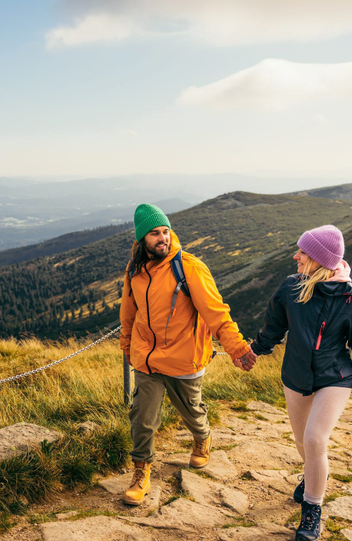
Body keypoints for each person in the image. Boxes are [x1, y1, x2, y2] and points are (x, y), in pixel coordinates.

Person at [242, 225, 352, 541]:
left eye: (302, 252)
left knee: (316, 439)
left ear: (318, 259)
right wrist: (254, 351)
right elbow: (274, 328)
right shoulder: (291, 287)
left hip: (335, 378)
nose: (296, 256)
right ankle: (311, 475)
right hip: (296, 376)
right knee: (304, 444)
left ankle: (312, 511)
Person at [119, 203, 257, 506]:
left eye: (165, 231)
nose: (162, 238)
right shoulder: (135, 270)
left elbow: (216, 312)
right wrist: (128, 346)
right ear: (142, 239)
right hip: (147, 359)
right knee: (142, 416)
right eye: (155, 233)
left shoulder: (189, 267)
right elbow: (128, 313)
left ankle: (202, 437)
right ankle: (141, 471)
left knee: (191, 412)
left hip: (184, 358)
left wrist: (236, 347)